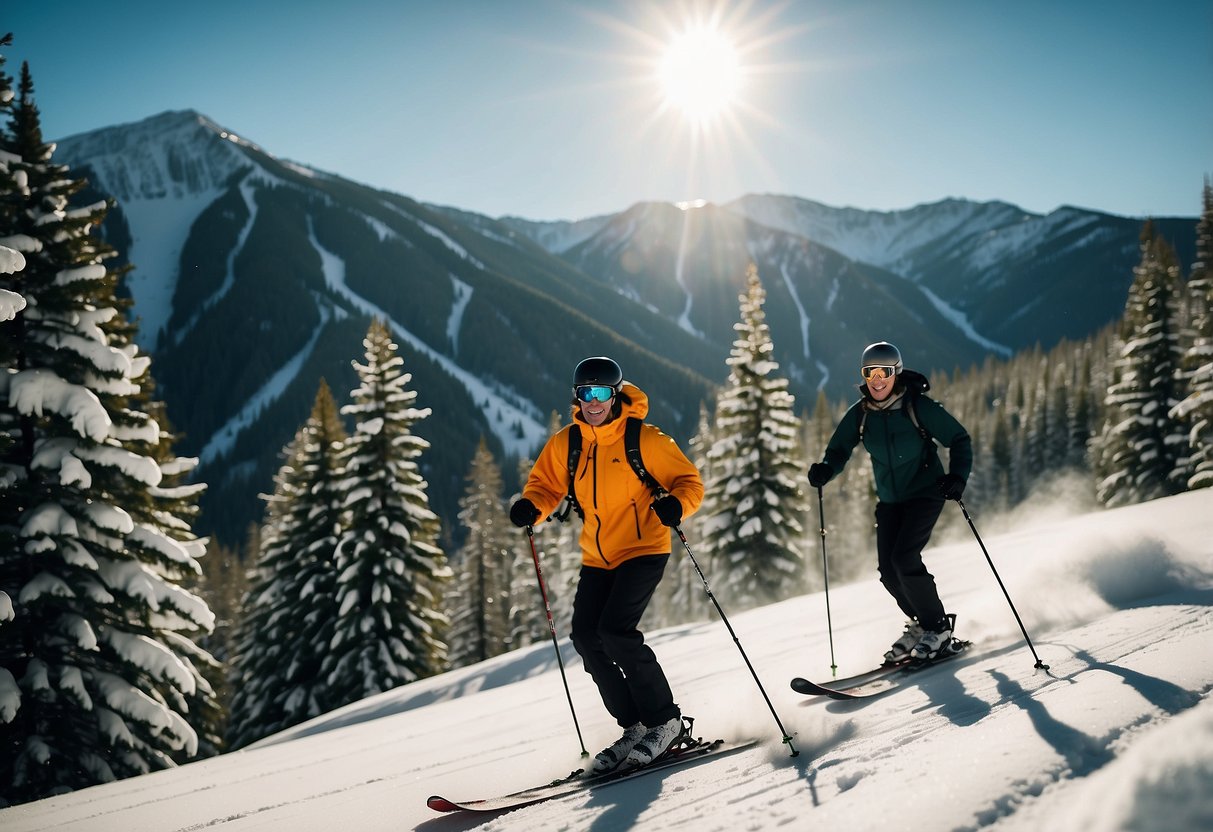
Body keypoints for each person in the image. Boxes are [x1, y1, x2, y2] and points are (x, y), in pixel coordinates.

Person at [510, 356, 704, 773]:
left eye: (600, 393)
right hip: (598, 556)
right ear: (576, 397)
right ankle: (634, 726)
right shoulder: (569, 442)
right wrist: (531, 507)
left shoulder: (645, 439)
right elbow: (545, 485)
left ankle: (666, 722)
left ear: (615, 394)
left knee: (616, 632)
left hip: (644, 548)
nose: (593, 401)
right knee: (586, 636)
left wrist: (676, 504)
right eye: (585, 393)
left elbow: (689, 482)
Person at [807, 341, 972, 664]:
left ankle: (938, 628)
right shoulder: (862, 415)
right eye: (870, 372)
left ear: (896, 373)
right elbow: (839, 450)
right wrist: (826, 470)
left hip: (926, 493)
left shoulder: (917, 407)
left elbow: (959, 438)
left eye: (884, 372)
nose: (877, 379)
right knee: (888, 570)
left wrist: (957, 477)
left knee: (905, 558)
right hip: (890, 500)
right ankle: (922, 624)